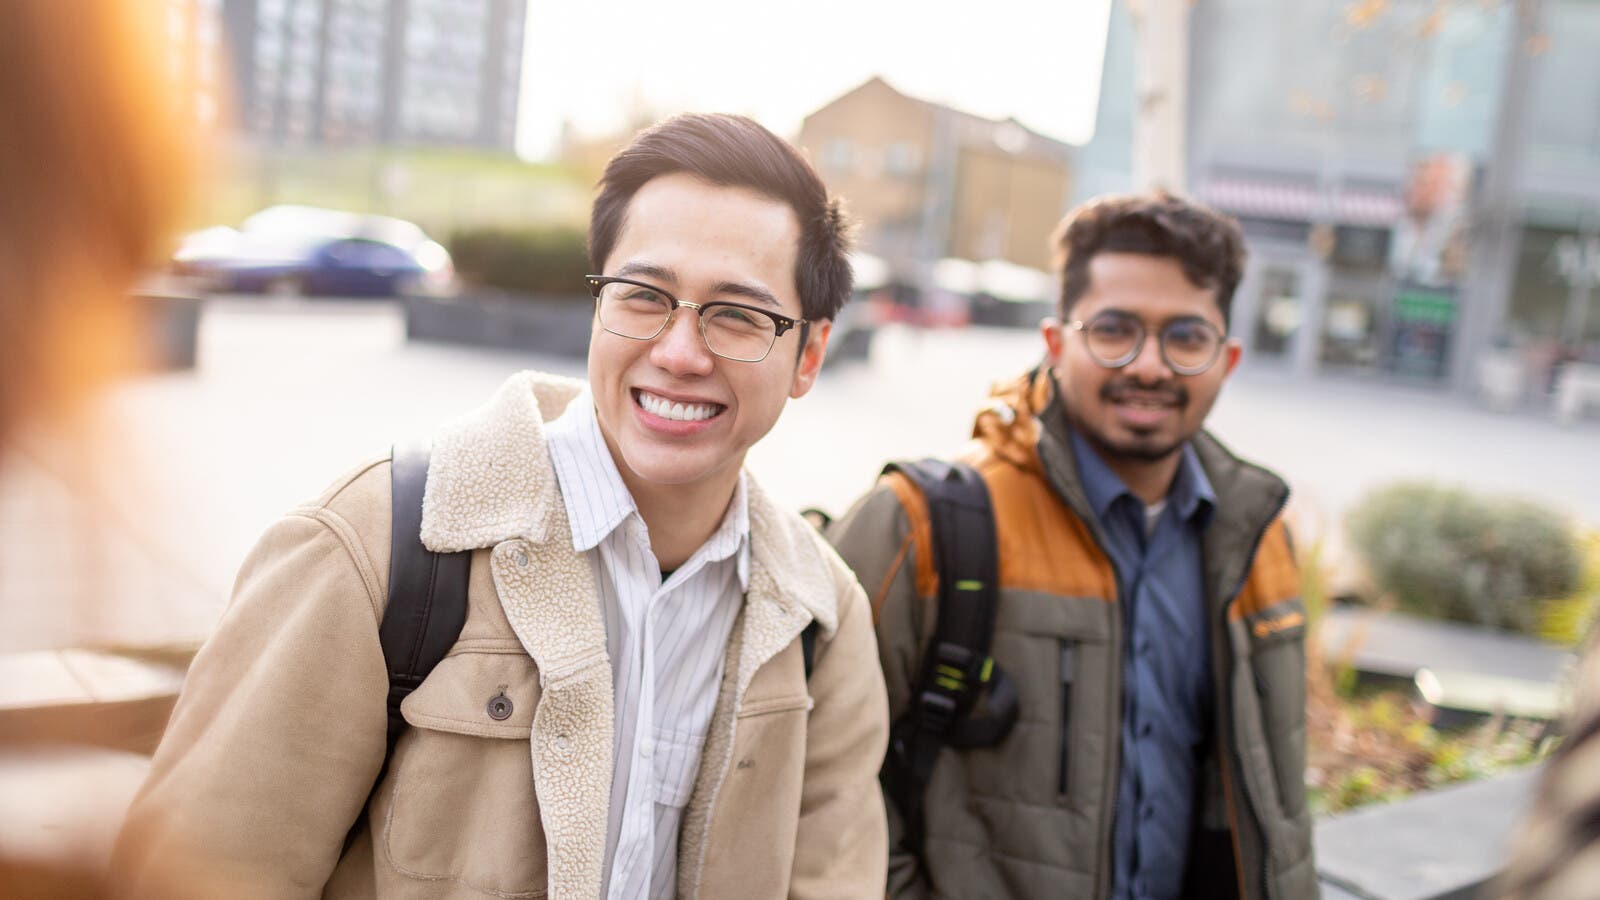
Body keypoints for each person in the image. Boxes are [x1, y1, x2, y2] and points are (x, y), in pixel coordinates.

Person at [114, 113, 889, 899]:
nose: (680, 353)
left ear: (810, 355)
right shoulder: (378, 546)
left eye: (737, 315)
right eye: (643, 295)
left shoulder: (821, 620)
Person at [829, 193, 1317, 899]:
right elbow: (824, 786)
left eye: (1185, 337)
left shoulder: (1260, 536)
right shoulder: (922, 524)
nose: (1150, 366)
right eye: (1115, 329)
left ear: (1227, 358)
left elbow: (1278, 801)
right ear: (1057, 343)